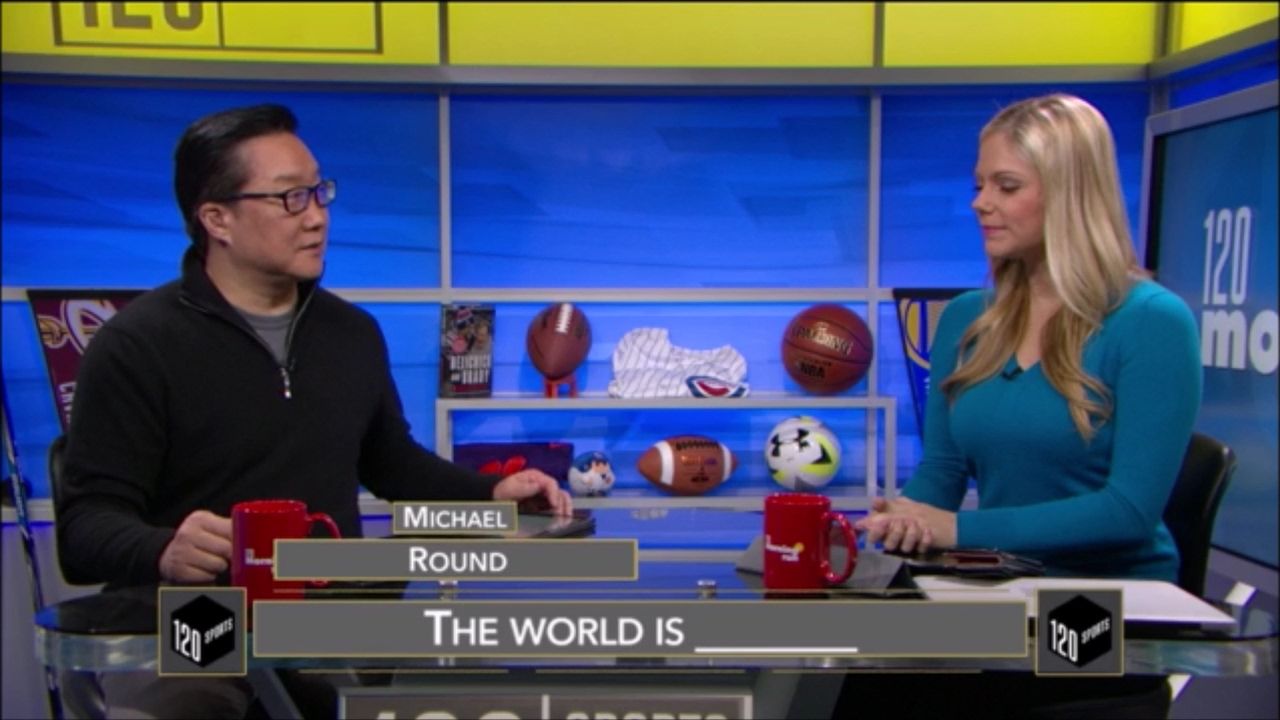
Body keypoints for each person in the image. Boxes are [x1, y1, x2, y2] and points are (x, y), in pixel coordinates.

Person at [55, 103, 572, 719]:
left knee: (448, 692)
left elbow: (392, 464)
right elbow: (85, 526)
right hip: (199, 613)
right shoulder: (138, 344)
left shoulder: (352, 334)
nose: (318, 216)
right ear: (217, 218)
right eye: (289, 198)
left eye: (319, 192)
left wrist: (491, 495)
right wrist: (163, 549)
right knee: (197, 705)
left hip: (330, 608)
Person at [846, 94, 1201, 718]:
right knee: (847, 680)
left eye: (1006, 186)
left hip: (1106, 608)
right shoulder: (967, 319)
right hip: (1000, 586)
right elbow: (943, 472)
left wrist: (957, 530)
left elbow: (1127, 511)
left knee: (951, 695)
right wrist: (904, 521)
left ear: (1069, 194)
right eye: (979, 184)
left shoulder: (1152, 322)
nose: (980, 203)